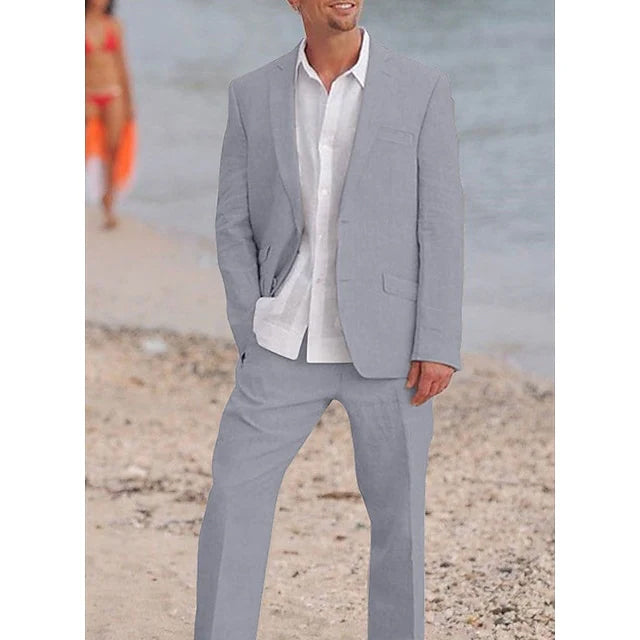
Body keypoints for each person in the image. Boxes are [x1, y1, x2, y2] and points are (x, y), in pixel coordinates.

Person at [195, 1, 464, 638]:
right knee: (233, 497)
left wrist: (438, 340)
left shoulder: (422, 89)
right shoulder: (251, 94)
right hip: (282, 338)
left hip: (391, 348)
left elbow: (441, 221)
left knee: (399, 525)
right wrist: (249, 324)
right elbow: (233, 221)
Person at [85, 0, 135, 229]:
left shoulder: (114, 25)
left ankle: (109, 202)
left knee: (113, 149)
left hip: (113, 93)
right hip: (88, 95)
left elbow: (122, 65)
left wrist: (129, 102)